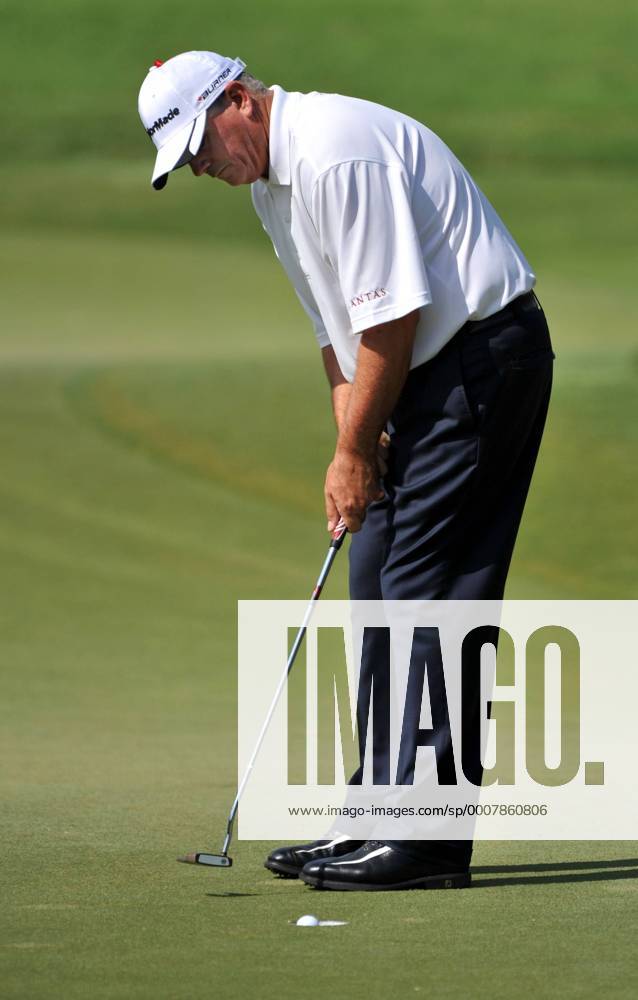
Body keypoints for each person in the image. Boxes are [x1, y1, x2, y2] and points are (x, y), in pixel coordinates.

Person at [138, 50, 554, 891]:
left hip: (479, 361)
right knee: (377, 578)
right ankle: (375, 814)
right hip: (415, 374)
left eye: (201, 144)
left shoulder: (336, 151)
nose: (203, 167)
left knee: (428, 594)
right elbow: (338, 331)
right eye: (186, 162)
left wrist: (356, 453)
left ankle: (427, 841)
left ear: (239, 102)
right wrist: (351, 439)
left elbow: (393, 318)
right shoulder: (271, 187)